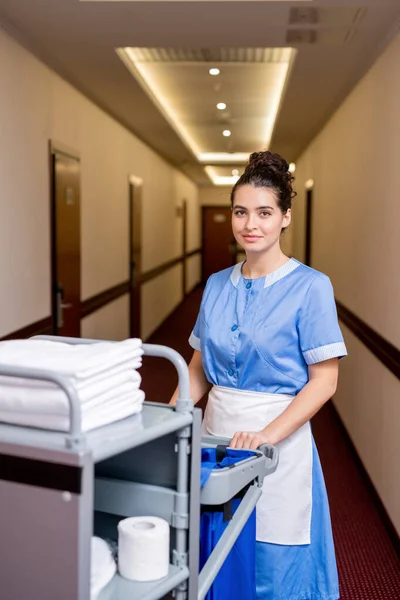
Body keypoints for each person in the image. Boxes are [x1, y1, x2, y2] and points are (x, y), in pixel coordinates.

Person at [170, 150, 347, 600]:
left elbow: (324, 381)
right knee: (213, 558)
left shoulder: (311, 287)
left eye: (264, 212)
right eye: (241, 211)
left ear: (285, 217)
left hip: (278, 444)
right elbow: (198, 371)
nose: (251, 223)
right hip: (215, 440)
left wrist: (267, 435)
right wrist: (170, 421)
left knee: (270, 564)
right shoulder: (214, 285)